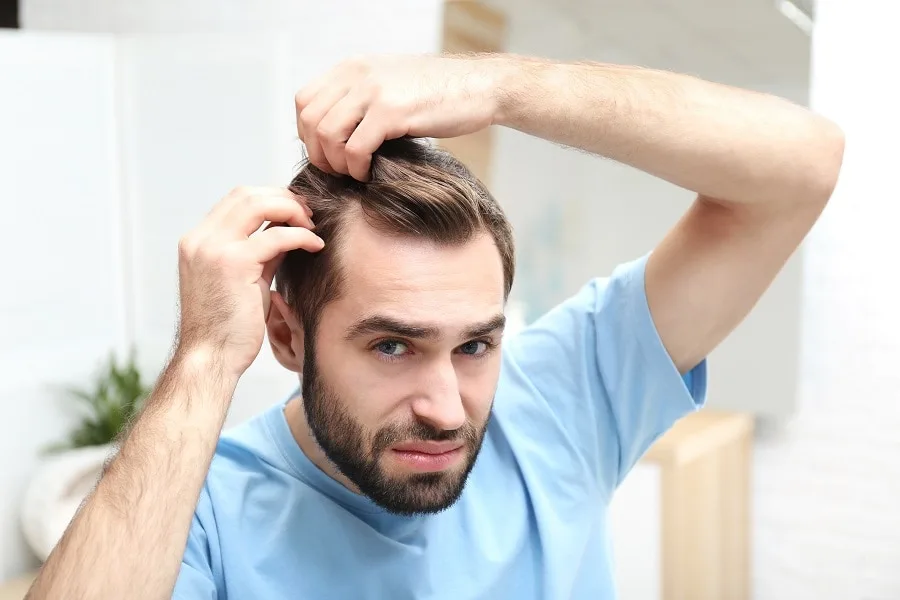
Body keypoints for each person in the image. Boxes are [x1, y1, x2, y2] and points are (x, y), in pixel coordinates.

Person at [27, 53, 844, 599]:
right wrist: (205, 356)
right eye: (392, 345)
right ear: (287, 335)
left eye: (476, 344)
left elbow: (800, 165)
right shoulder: (203, 517)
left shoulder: (556, 405)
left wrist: (500, 89)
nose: (449, 407)